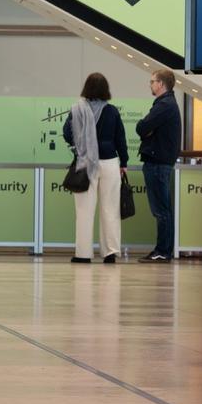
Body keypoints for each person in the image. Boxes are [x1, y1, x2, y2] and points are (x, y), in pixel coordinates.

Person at [62, 73, 128, 264]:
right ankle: (110, 253)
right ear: (105, 89)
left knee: (84, 210)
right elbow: (120, 139)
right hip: (109, 162)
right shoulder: (112, 111)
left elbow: (67, 133)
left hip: (85, 164)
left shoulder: (77, 110)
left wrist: (80, 145)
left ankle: (83, 254)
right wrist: (123, 162)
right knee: (110, 209)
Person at [135, 68, 180, 262]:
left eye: (152, 81)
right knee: (163, 210)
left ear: (161, 84)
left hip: (157, 163)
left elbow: (142, 127)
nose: (150, 85)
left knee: (161, 211)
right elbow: (145, 130)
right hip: (159, 162)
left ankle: (163, 250)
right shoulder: (166, 104)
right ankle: (163, 250)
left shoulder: (164, 105)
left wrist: (147, 130)